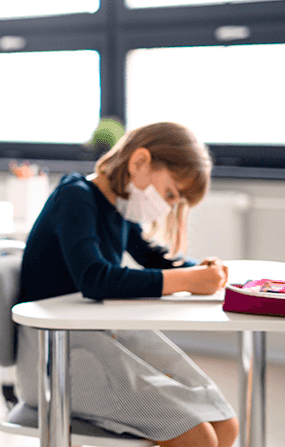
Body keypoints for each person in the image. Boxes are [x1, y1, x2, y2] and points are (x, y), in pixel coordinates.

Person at [15, 122, 238, 447]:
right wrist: (188, 280)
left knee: (225, 426)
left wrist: (200, 272)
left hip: (97, 334)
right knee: (198, 437)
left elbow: (152, 256)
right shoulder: (75, 198)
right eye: (170, 194)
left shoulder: (118, 207)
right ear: (138, 162)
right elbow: (95, 279)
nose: (166, 207)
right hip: (55, 352)